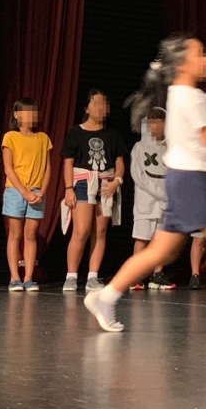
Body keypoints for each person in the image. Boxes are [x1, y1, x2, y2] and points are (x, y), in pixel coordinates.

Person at [83, 32, 206, 341]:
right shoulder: (192, 98)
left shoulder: (183, 94)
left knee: (161, 250)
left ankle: (106, 296)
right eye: (200, 54)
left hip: (182, 179)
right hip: (196, 180)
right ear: (182, 64)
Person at [61, 89, 128, 292]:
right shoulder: (76, 132)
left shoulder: (112, 135)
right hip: (83, 183)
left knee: (99, 232)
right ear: (87, 108)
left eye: (104, 104)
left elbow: (119, 162)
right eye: (96, 103)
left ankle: (92, 276)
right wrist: (68, 188)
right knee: (81, 230)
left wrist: (116, 182)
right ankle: (71, 276)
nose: (101, 108)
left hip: (105, 184)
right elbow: (68, 162)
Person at [2, 98, 52, 291]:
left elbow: (47, 168)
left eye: (34, 112)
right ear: (17, 114)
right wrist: (24, 192)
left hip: (37, 192)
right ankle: (15, 277)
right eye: (26, 111)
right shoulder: (10, 137)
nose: (31, 116)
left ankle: (29, 277)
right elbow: (8, 168)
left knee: (30, 234)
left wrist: (42, 192)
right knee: (15, 234)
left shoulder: (43, 138)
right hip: (15, 190)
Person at [129, 107, 174, 290]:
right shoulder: (139, 148)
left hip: (165, 202)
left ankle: (157, 273)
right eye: (153, 123)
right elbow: (138, 175)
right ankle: (136, 275)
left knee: (161, 239)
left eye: (160, 122)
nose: (156, 126)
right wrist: (158, 193)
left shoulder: (171, 148)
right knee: (142, 238)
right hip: (146, 202)